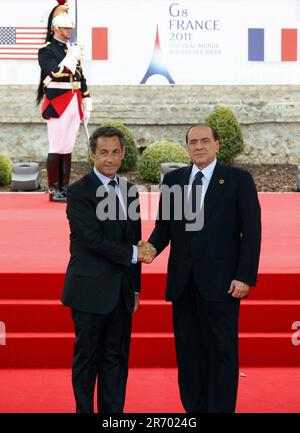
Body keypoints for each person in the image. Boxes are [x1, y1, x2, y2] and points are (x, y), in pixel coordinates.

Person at [141, 123, 261, 413]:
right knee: (189, 353)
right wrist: (151, 248)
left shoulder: (237, 179)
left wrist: (244, 276)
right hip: (183, 284)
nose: (198, 146)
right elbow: (165, 227)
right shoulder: (173, 181)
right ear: (187, 147)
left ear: (217, 144)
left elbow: (252, 232)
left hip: (222, 285)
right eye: (193, 142)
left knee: (222, 353)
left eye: (205, 141)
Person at [61, 126, 155, 413]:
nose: (110, 158)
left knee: (116, 359)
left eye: (116, 152)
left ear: (124, 153)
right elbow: (93, 240)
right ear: (92, 153)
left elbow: (135, 240)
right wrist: (134, 253)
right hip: (89, 291)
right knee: (87, 360)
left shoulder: (129, 191)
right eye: (104, 152)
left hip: (122, 293)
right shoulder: (78, 193)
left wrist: (136, 288)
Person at [37, 0, 92, 202]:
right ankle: (54, 189)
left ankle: (65, 187)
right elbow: (55, 72)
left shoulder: (72, 49)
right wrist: (71, 57)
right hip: (57, 103)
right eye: (65, 28)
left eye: (70, 28)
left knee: (68, 147)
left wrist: (87, 99)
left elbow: (80, 77)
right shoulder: (46, 50)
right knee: (56, 146)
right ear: (55, 29)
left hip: (74, 102)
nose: (69, 31)